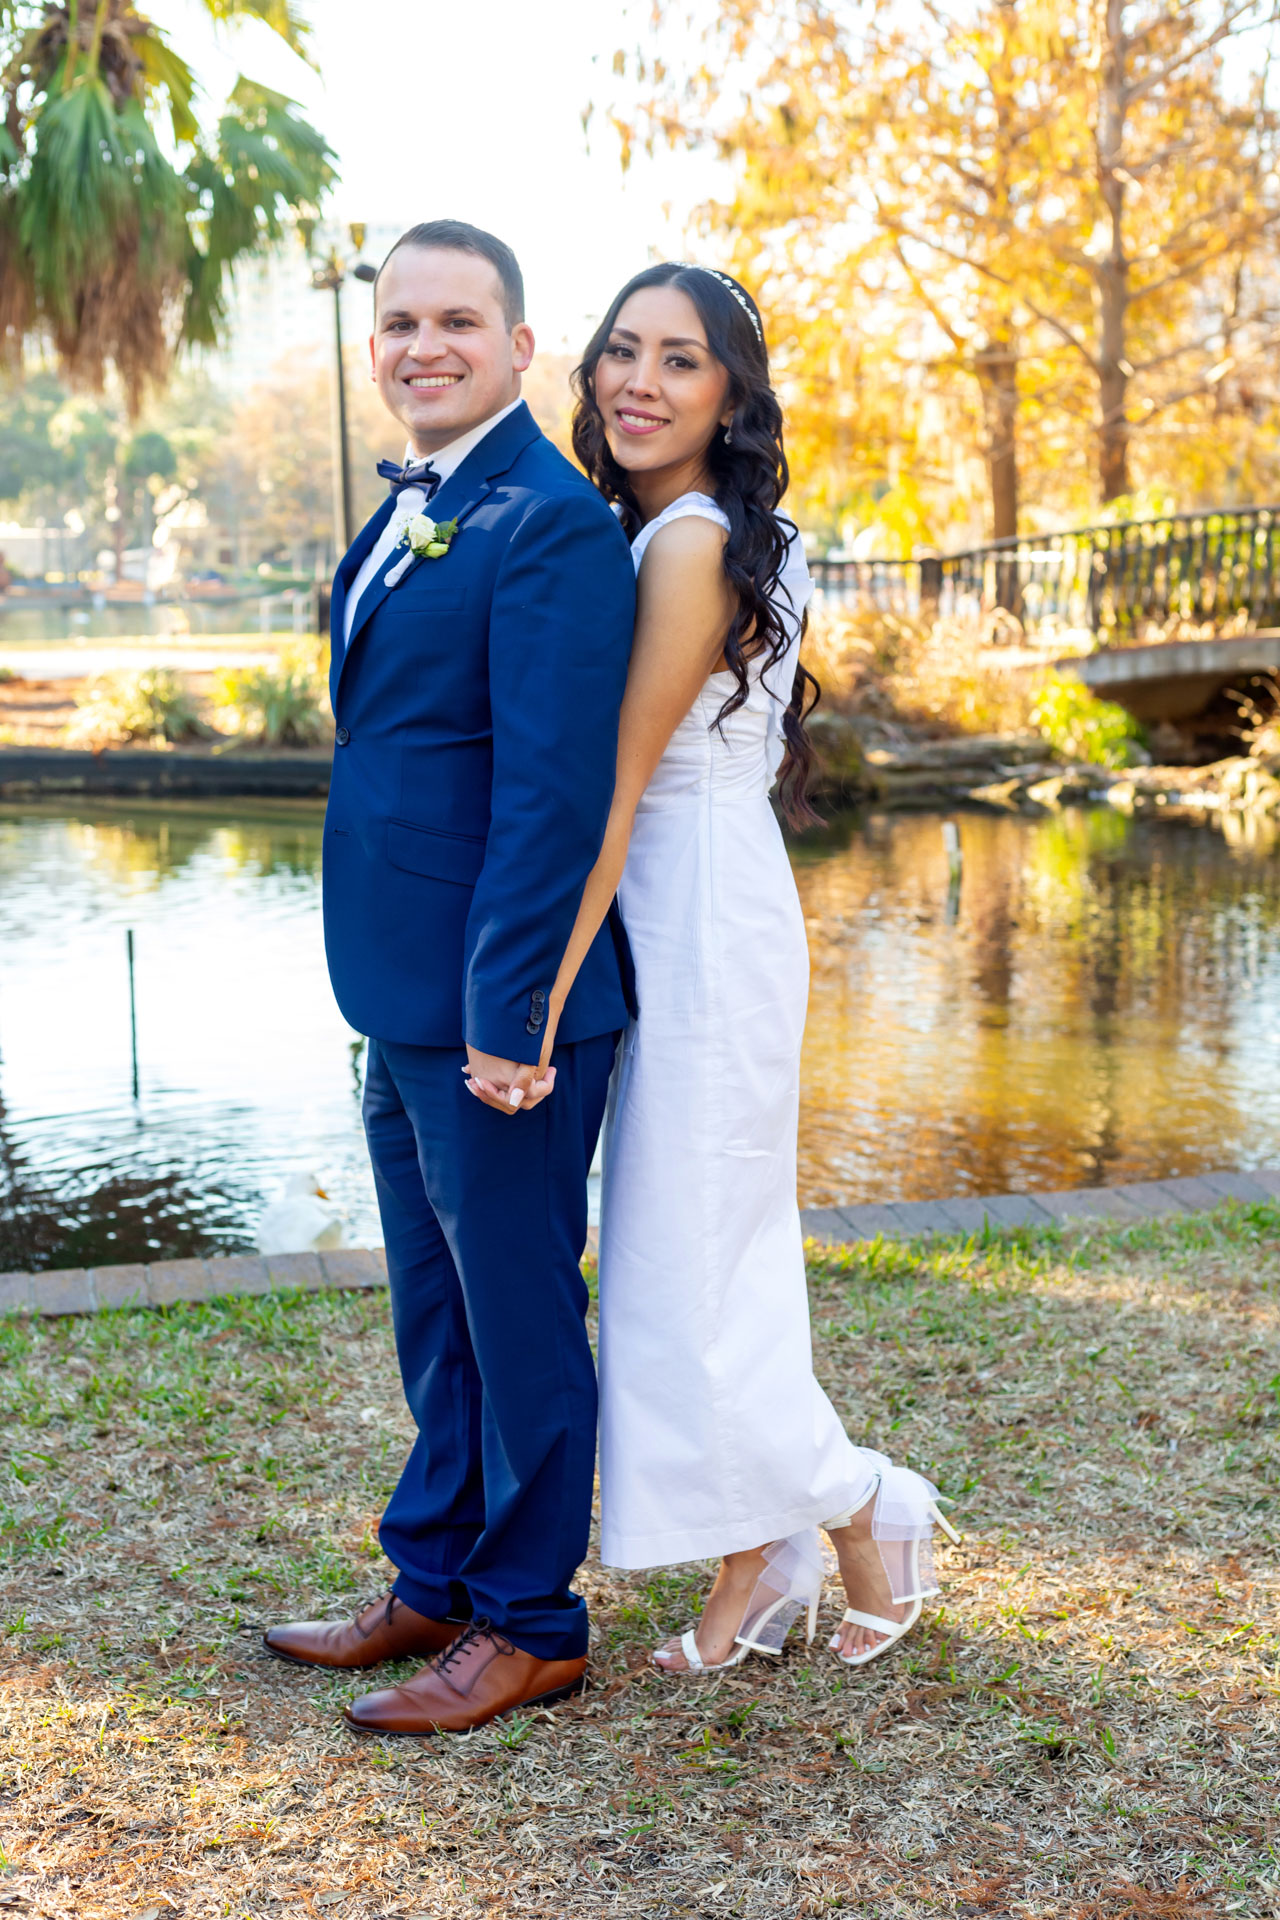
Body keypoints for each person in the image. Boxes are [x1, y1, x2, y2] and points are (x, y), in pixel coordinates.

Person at [502, 262, 957, 1674]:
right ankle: (758, 1551)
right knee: (684, 1262)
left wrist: (534, 1001)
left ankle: (862, 1502)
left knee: (688, 1260)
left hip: (698, 920)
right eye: (620, 353)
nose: (639, 382)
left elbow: (619, 789)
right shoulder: (675, 530)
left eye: (680, 361)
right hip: (700, 908)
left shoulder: (691, 541)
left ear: (729, 396)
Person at [263, 221, 636, 1734]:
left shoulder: (543, 520)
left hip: (506, 1016)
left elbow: (551, 790)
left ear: (518, 346)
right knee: (438, 1306)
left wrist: (510, 1017)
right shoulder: (425, 503)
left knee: (518, 1312)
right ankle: (433, 1575)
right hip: (399, 990)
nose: (425, 345)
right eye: (401, 321)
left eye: (458, 322)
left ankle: (534, 1620)